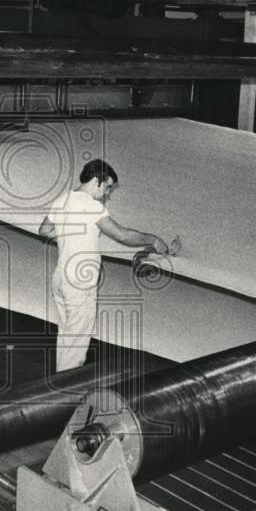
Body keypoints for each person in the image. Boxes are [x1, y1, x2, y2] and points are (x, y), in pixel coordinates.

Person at [38, 159, 167, 372]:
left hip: (60, 277)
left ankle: (58, 384)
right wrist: (152, 239)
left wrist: (67, 230)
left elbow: (44, 230)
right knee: (76, 344)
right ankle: (67, 397)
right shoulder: (91, 205)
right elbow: (122, 234)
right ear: (97, 181)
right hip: (79, 282)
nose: (107, 193)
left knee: (67, 336)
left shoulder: (64, 198)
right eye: (107, 187)